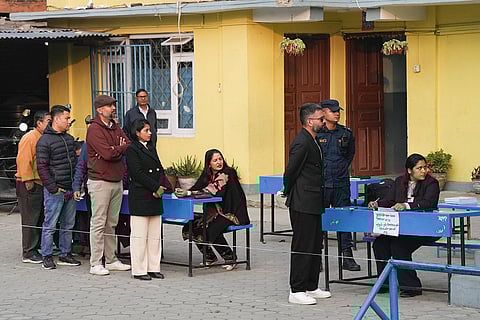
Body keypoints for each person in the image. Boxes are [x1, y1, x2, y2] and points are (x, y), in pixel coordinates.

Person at [368, 153, 440, 298]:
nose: (424, 171)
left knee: (398, 246)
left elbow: (429, 203)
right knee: (379, 244)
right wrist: (377, 203)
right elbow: (390, 200)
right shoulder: (400, 181)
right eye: (419, 168)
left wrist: (406, 205)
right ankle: (385, 282)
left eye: (425, 167)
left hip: (424, 228)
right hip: (402, 228)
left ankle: (411, 287)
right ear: (409, 170)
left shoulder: (431, 183)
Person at [283, 102, 331, 305]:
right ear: (310, 121)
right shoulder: (301, 142)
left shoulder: (315, 140)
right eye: (321, 119)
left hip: (314, 200)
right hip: (302, 201)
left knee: (314, 244)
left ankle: (312, 285)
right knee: (303, 245)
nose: (324, 121)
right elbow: (291, 172)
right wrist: (289, 192)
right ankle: (297, 289)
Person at [83, 95, 131, 276]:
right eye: (110, 106)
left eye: (113, 105)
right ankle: (95, 263)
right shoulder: (94, 129)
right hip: (99, 182)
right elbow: (107, 153)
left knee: (112, 223)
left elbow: (128, 144)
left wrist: (115, 149)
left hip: (116, 180)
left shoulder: (116, 126)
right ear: (99, 109)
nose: (113, 108)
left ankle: (111, 260)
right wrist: (117, 149)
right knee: (98, 223)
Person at [182, 149, 250, 271]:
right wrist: (183, 193)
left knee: (212, 228)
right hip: (214, 214)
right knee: (192, 226)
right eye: (215, 160)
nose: (219, 162)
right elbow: (197, 188)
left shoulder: (228, 173)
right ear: (209, 163)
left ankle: (230, 258)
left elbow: (212, 191)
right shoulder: (207, 175)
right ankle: (210, 258)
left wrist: (189, 192)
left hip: (231, 212)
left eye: (220, 159)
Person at [316, 99, 360, 272]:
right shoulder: (317, 133)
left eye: (338, 110)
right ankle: (316, 257)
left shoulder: (346, 133)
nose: (337, 113)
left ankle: (347, 256)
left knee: (344, 220)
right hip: (323, 184)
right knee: (320, 221)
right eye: (332, 110)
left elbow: (349, 155)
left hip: (341, 183)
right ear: (323, 113)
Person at [36, 105, 81, 269]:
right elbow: (42, 168)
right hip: (55, 190)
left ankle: (65, 253)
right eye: (66, 118)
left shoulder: (69, 139)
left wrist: (76, 185)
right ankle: (47, 256)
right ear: (56, 119)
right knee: (50, 224)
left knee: (68, 224)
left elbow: (75, 164)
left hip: (69, 189)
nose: (69, 121)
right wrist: (53, 187)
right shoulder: (44, 141)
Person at [126, 119, 171, 280]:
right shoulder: (132, 149)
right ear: (137, 133)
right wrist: (154, 187)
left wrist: (162, 186)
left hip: (154, 196)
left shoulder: (151, 147)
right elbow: (137, 173)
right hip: (141, 195)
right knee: (139, 235)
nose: (150, 132)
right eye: (146, 130)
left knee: (154, 236)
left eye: (150, 130)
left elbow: (159, 169)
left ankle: (153, 267)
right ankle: (139, 269)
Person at [15, 110, 51, 264]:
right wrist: (28, 180)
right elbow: (24, 161)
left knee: (39, 217)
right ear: (39, 123)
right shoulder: (30, 138)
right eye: (48, 121)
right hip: (29, 183)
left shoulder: (44, 137)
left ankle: (36, 247)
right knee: (30, 218)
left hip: (41, 183)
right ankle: (28, 252)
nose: (51, 124)